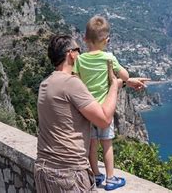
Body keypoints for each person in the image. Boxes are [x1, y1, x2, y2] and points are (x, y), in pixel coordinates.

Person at [34, 34, 148, 192]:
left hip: (44, 171)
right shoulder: (71, 84)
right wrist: (114, 85)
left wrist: (126, 82)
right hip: (68, 175)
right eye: (78, 50)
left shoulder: (46, 84)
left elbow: (87, 85)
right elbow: (104, 120)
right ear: (71, 54)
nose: (80, 54)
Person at [73, 15, 137, 191]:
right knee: (107, 144)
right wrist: (119, 74)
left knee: (92, 145)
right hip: (104, 110)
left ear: (85, 39)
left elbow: (76, 81)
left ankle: (96, 175)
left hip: (88, 111)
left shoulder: (79, 60)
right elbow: (125, 76)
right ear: (107, 40)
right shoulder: (108, 58)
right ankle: (110, 178)